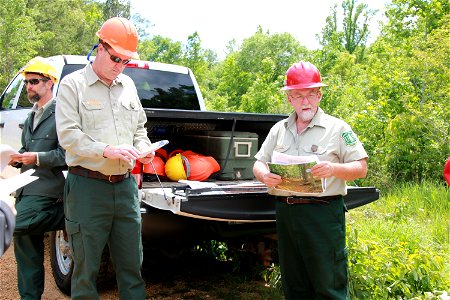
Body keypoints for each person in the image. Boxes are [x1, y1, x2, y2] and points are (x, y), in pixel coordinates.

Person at [55, 17, 154, 299]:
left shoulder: (129, 87)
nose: (119, 66)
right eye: (115, 58)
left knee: (132, 268)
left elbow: (139, 129)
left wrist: (144, 149)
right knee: (85, 272)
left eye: (126, 61)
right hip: (87, 187)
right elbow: (68, 135)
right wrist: (106, 150)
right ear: (100, 47)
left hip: (125, 189)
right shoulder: (73, 85)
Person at [253, 61, 368, 299]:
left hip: (323, 214)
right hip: (286, 213)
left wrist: (333, 168)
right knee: (295, 285)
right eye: (297, 95)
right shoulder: (278, 130)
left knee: (328, 284)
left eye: (310, 94)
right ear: (289, 99)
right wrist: (264, 175)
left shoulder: (337, 128)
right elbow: (259, 162)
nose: (304, 101)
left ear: (319, 95)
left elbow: (361, 168)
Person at [8, 56, 66, 299]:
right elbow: (26, 150)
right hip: (26, 189)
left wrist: (37, 158)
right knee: (26, 253)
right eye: (27, 81)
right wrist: (15, 157)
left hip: (48, 192)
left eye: (34, 81)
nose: (29, 87)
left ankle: (65, 216)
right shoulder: (32, 115)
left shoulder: (62, 113)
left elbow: (67, 154)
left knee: (10, 226)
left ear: (50, 82)